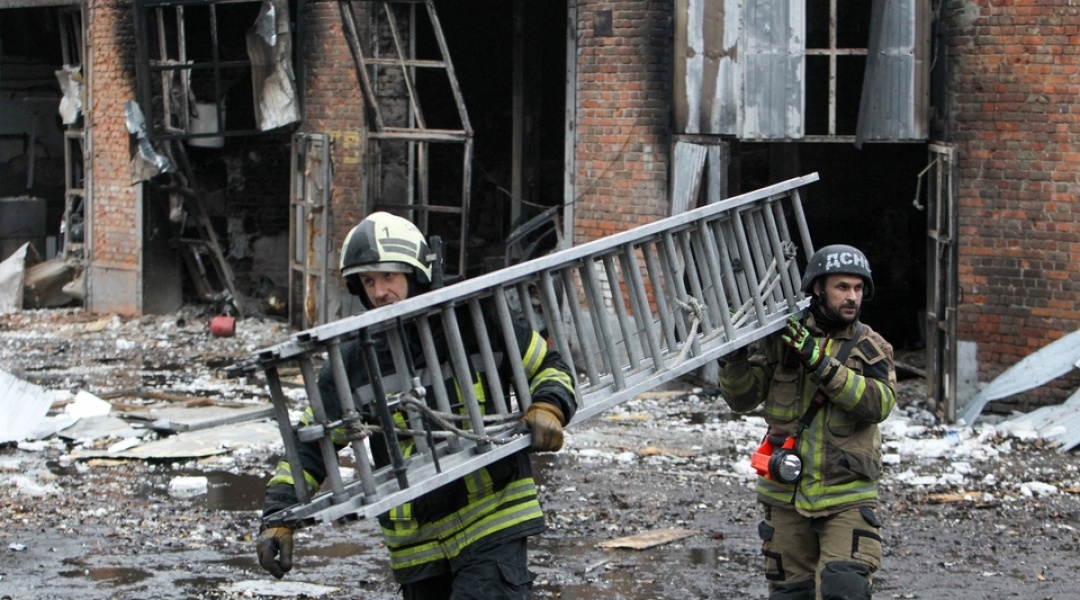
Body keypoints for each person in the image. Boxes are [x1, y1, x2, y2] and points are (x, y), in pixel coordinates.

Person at [255, 212, 577, 599]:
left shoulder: (475, 317)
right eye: (368, 282)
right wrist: (279, 516)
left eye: (388, 276)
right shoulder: (355, 358)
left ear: (417, 273)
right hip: (417, 547)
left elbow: (548, 367)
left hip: (492, 521)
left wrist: (549, 406)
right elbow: (312, 440)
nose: (379, 292)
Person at [716, 244, 897, 600]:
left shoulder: (871, 347)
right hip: (785, 496)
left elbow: (879, 404)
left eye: (858, 288)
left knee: (845, 588)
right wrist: (733, 357)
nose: (852, 297)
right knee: (791, 594)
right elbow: (742, 398)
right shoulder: (782, 338)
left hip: (846, 496)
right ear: (818, 288)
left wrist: (819, 362)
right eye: (842, 287)